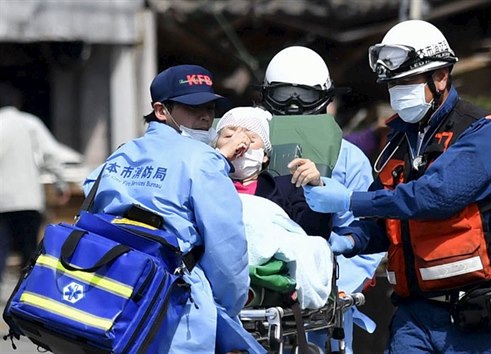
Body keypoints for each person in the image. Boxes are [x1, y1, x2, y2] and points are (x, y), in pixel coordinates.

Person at [303, 20, 491, 353]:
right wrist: (350, 240)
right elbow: (392, 222)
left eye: (408, 82)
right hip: (415, 318)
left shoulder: (484, 133)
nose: (398, 93)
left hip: (483, 317)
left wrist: (348, 200)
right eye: (393, 85)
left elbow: (435, 197)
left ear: (441, 77)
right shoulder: (397, 142)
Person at [83, 65, 264, 354]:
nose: (206, 116)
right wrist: (228, 310)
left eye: (210, 107)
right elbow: (227, 253)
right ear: (160, 110)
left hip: (104, 300)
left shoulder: (121, 153)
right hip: (174, 317)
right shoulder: (204, 162)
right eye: (193, 108)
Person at [260, 46, 384, 352]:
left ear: (325, 99)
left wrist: (330, 289)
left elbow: (365, 233)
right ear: (265, 96)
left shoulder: (348, 157)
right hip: (258, 305)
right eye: (283, 94)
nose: (292, 105)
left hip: (323, 312)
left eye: (303, 96)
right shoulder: (248, 149)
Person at [214, 106, 332, 238]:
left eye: (251, 139)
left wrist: (316, 190)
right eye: (229, 137)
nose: (241, 144)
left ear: (265, 155)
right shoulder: (201, 184)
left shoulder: (288, 186)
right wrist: (216, 161)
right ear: (214, 148)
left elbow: (314, 234)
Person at [0, 83, 70, 287]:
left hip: (1, 201)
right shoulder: (29, 123)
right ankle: (27, 291)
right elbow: (51, 154)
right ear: (16, 102)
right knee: (28, 248)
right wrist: (61, 184)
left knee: (1, 248)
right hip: (27, 198)